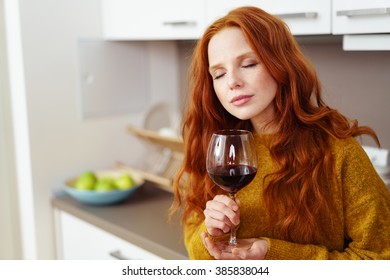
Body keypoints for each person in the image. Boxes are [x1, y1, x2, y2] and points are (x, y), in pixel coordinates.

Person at [170, 6, 390, 260]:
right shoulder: (215, 147)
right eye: (219, 74)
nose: (232, 81)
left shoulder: (337, 151)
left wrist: (273, 255)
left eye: (249, 64)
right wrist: (213, 232)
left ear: (280, 64)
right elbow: (195, 251)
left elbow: (380, 258)